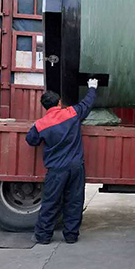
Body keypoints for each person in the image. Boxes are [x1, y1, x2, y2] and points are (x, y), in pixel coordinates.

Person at [26, 79, 98, 245]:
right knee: (74, 201)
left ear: (45, 106)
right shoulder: (72, 113)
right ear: (59, 103)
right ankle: (71, 236)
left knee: (51, 202)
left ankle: (43, 236)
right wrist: (92, 88)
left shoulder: (41, 124)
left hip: (56, 170)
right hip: (75, 168)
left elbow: (31, 140)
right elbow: (87, 104)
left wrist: (35, 126)